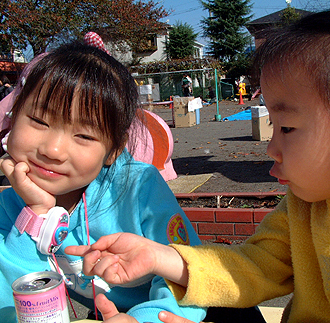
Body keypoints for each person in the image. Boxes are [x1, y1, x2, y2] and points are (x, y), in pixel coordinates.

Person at [66, 10, 330, 322]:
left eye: (286, 128)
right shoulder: (301, 207)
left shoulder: (138, 181)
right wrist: (159, 257)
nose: (271, 147)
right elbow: (256, 264)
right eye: (272, 125)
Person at [0, 40, 206, 323]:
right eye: (39, 121)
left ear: (112, 150)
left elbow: (188, 269)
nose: (53, 150)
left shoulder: (139, 188)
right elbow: (10, 301)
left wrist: (145, 319)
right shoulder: (9, 207)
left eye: (83, 136)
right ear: (14, 117)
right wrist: (35, 215)